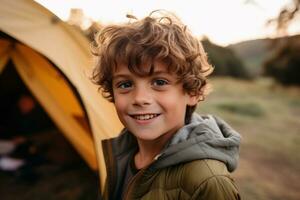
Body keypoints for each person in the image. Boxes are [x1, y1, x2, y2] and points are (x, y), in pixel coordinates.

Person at [92, 10, 241, 200]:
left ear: (192, 92)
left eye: (159, 82)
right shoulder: (122, 152)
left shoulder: (208, 181)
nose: (140, 98)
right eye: (125, 84)